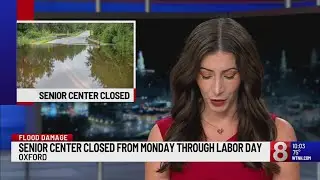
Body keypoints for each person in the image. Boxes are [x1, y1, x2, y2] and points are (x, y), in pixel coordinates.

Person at [145, 18, 299, 180]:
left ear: (245, 75)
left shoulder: (279, 133)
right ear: (192, 75)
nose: (217, 89)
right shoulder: (164, 135)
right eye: (206, 75)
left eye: (229, 75)